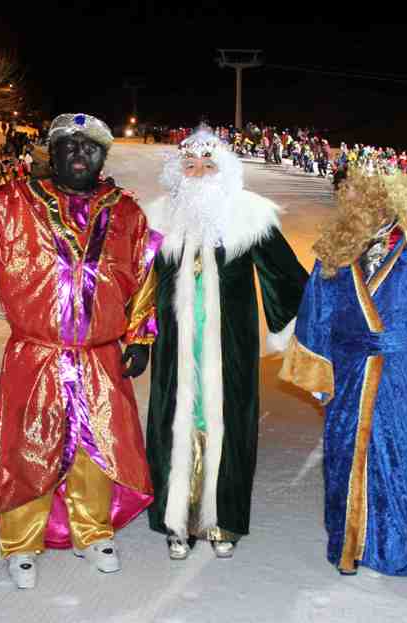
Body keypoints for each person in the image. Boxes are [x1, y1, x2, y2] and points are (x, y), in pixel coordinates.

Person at [0, 100, 159, 589]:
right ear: (51, 154)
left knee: (99, 447)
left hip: (100, 355)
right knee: (29, 448)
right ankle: (21, 542)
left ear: (102, 158)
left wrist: (140, 334)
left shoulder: (126, 214)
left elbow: (143, 275)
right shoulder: (12, 202)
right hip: (37, 354)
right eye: (69, 146)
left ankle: (94, 531)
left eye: (90, 148)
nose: (79, 154)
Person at [279, 166, 407, 577]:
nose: (353, 203)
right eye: (349, 195)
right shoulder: (335, 248)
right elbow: (315, 314)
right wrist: (318, 374)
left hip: (402, 375)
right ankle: (346, 545)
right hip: (349, 372)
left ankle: (390, 551)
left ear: (388, 199)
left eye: (363, 196)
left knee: (397, 462)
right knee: (342, 459)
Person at [141, 127, 308, 560]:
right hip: (175, 345)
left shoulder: (249, 217)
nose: (198, 173)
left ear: (225, 171)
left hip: (228, 348)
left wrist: (317, 322)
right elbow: (134, 284)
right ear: (178, 173)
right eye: (190, 166)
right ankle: (178, 520)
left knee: (228, 425)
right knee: (172, 422)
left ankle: (223, 520)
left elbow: (286, 279)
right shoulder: (157, 219)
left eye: (208, 165)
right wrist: (131, 334)